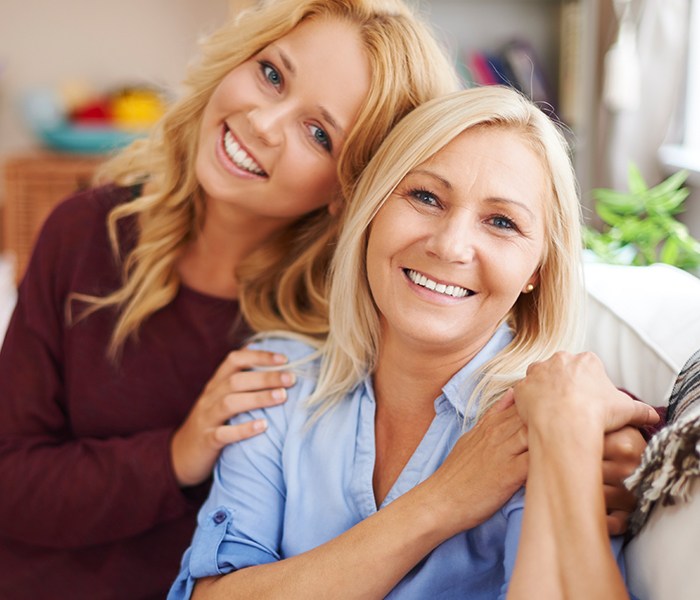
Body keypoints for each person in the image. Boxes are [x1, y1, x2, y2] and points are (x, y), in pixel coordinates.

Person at [0, 1, 462, 598]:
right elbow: (9, 477)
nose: (264, 123)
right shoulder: (85, 232)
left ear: (350, 192)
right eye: (272, 74)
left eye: (318, 133)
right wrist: (175, 455)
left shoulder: (345, 331)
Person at [168, 86, 659, 599]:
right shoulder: (277, 378)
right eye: (425, 197)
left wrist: (566, 440)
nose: (449, 245)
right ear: (372, 210)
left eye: (501, 222)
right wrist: (442, 502)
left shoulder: (542, 423)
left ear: (536, 270)